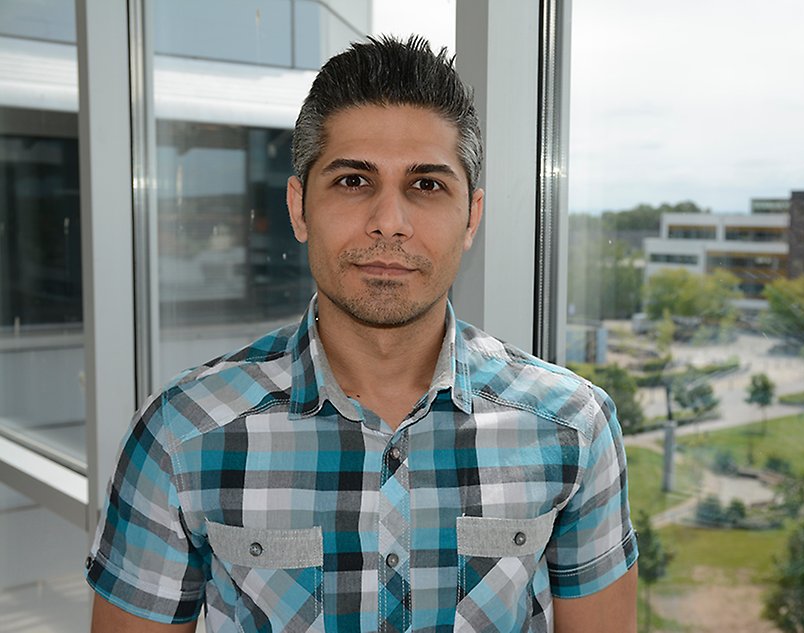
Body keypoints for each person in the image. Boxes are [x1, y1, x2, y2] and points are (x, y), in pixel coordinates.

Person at [86, 35, 638, 632]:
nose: (388, 223)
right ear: (300, 207)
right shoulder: (181, 434)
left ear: (472, 216)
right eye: (353, 181)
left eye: (426, 185)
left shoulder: (573, 426)